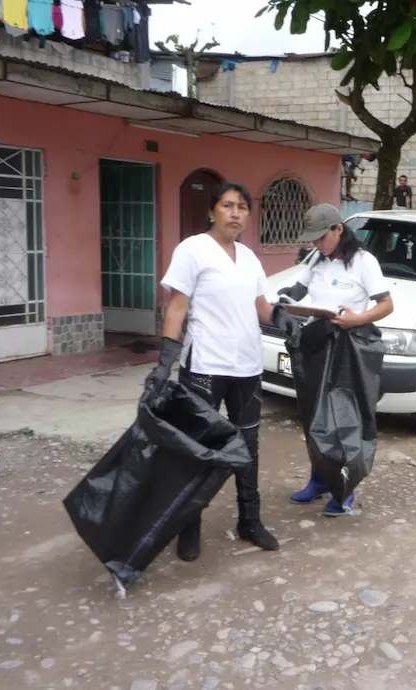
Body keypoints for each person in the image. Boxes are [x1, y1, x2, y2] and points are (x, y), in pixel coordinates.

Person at [151, 181, 291, 562]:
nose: (235, 213)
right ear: (211, 211)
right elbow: (176, 307)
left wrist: (281, 317)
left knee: (247, 447)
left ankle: (250, 520)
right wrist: (165, 361)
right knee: (198, 447)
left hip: (246, 366)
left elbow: (260, 307)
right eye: (227, 205)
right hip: (205, 366)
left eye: (242, 207)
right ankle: (189, 526)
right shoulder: (192, 249)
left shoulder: (249, 257)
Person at [280, 203, 394, 516]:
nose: (317, 243)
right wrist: (282, 302)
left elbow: (386, 305)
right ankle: (318, 480)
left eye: (321, 237)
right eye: (313, 238)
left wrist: (356, 319)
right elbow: (296, 291)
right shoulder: (315, 258)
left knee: (344, 419)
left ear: (338, 229)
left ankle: (344, 488)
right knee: (315, 416)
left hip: (348, 349)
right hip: (317, 344)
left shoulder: (363, 261)